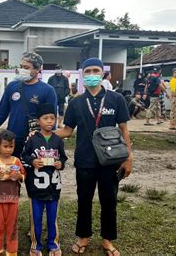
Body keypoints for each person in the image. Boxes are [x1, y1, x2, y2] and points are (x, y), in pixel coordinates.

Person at [55, 58, 133, 255]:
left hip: (111, 160)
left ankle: (107, 240)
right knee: (84, 199)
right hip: (85, 160)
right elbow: (66, 130)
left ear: (102, 73)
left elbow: (124, 129)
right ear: (82, 74)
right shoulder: (76, 103)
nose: (91, 74)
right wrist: (44, 133)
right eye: (87, 71)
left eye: (95, 70)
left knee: (109, 200)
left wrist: (128, 158)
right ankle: (83, 236)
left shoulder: (116, 99)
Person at [22, 103, 67, 256]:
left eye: (52, 118)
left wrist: (60, 164)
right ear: (38, 120)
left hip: (53, 187)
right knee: (36, 219)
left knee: (52, 218)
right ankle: (36, 245)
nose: (49, 121)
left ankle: (53, 244)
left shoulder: (58, 140)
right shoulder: (32, 139)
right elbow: (24, 157)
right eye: (45, 118)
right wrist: (33, 162)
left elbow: (63, 158)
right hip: (36, 188)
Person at [0, 52, 57, 157]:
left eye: (26, 67)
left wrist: (49, 140)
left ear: (37, 69)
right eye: (21, 67)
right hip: (12, 140)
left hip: (35, 140)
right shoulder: (12, 87)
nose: (22, 70)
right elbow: (1, 113)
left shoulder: (48, 90)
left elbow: (51, 119)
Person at [0, 130, 25, 256]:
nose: (8, 150)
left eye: (11, 147)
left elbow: (23, 176)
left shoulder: (16, 161)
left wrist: (19, 175)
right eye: (5, 146)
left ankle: (11, 251)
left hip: (13, 199)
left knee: (12, 226)